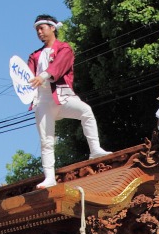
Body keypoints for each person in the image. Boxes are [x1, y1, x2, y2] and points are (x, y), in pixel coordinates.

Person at [28, 14, 109, 189]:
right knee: (46, 140)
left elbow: (59, 65)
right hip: (42, 101)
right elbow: (26, 78)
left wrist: (43, 75)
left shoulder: (64, 49)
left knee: (86, 111)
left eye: (42, 28)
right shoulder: (34, 56)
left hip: (62, 96)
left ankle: (95, 149)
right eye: (37, 30)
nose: (39, 32)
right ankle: (49, 176)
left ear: (52, 28)